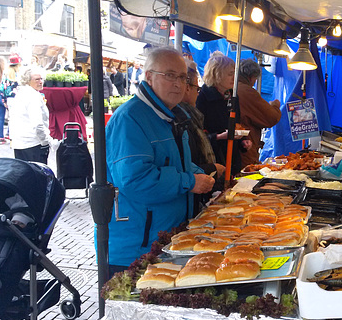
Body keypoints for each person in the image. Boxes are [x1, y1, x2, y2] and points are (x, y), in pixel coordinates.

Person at [105, 47, 215, 273]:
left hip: (166, 238)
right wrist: (190, 182)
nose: (178, 84)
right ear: (148, 76)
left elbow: (174, 163)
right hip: (135, 248)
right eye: (170, 75)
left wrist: (199, 174)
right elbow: (135, 180)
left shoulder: (170, 115)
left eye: (183, 77)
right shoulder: (130, 119)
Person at [180, 58, 225, 210]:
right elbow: (182, 164)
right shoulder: (179, 119)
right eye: (196, 89)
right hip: (187, 197)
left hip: (196, 193)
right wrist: (210, 168)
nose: (197, 93)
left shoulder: (189, 116)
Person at [196, 51, 249, 176]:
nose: (234, 78)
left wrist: (244, 141)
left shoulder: (233, 96)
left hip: (233, 159)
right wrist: (219, 136)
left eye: (235, 74)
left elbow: (236, 125)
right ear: (217, 74)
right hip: (213, 161)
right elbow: (198, 135)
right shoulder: (202, 97)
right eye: (230, 74)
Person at [7, 66, 59, 164]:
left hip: (20, 143)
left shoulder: (21, 93)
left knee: (24, 175)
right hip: (33, 144)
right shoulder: (33, 97)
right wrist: (46, 141)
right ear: (27, 81)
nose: (40, 82)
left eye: (41, 79)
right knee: (37, 176)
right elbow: (38, 124)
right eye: (37, 79)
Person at [237, 58, 281, 168]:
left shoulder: (234, 87)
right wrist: (274, 106)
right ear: (251, 77)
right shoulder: (247, 92)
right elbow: (271, 117)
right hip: (245, 149)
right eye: (255, 79)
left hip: (237, 147)